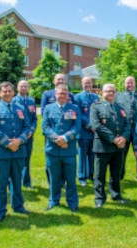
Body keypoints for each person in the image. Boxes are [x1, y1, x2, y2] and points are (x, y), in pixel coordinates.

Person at [0, 82, 30, 223]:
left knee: (17, 181)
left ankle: (18, 206)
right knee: (1, 183)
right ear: (0, 93)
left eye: (10, 91)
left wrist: (19, 141)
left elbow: (27, 127)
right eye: (4, 91)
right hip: (1, 153)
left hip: (18, 151)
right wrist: (8, 143)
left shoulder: (21, 108)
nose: (7, 93)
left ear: (13, 92)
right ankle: (0, 211)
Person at [90, 83, 131, 208]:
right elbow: (97, 126)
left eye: (113, 91)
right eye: (108, 91)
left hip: (118, 148)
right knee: (100, 174)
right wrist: (113, 139)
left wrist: (124, 137)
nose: (111, 93)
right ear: (102, 93)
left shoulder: (120, 107)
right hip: (103, 146)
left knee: (116, 173)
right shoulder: (96, 107)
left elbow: (127, 124)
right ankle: (99, 197)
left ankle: (116, 194)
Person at [42, 84, 81, 212]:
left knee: (70, 178)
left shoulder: (74, 108)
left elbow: (76, 127)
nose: (63, 96)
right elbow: (45, 127)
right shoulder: (48, 108)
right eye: (60, 93)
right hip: (53, 150)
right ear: (55, 95)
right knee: (54, 178)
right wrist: (56, 139)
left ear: (68, 95)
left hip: (68, 150)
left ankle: (72, 202)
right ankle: (54, 201)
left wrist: (65, 138)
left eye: (65, 93)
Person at [40, 73, 75, 185]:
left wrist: (65, 137)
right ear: (54, 81)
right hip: (52, 133)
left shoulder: (71, 96)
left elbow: (73, 115)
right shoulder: (47, 94)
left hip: (67, 133)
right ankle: (52, 181)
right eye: (58, 79)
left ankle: (63, 181)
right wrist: (56, 137)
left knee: (66, 159)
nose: (60, 81)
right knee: (51, 159)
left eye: (62, 79)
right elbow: (43, 112)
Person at [115, 76, 137, 181]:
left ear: (135, 84)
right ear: (124, 84)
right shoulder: (118, 96)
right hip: (125, 130)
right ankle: (120, 175)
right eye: (127, 83)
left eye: (131, 83)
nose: (129, 85)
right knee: (122, 154)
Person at [75, 76, 100, 186]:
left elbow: (99, 112)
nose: (87, 85)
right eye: (85, 83)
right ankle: (81, 176)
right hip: (84, 131)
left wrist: (97, 126)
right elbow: (79, 114)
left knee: (92, 154)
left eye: (89, 83)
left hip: (95, 133)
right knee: (82, 154)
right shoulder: (78, 98)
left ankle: (91, 174)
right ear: (82, 84)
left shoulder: (96, 97)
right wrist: (90, 126)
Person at [13, 80, 38, 190]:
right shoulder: (13, 101)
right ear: (17, 88)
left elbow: (34, 119)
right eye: (21, 86)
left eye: (25, 86)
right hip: (17, 136)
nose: (23, 88)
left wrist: (31, 131)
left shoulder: (31, 102)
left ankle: (26, 182)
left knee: (27, 160)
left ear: (28, 88)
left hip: (29, 136)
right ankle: (15, 182)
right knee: (16, 160)